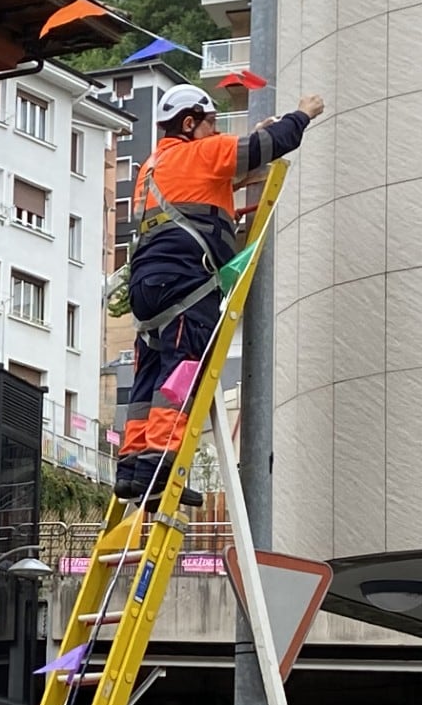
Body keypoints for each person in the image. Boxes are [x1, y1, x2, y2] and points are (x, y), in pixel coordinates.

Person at [115, 84, 326, 507]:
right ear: (190, 123)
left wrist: (249, 142)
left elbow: (223, 172)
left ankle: (133, 468)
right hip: (185, 287)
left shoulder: (151, 167)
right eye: (211, 123)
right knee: (179, 379)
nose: (215, 132)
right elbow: (272, 144)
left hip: (147, 289)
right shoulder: (203, 154)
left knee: (148, 379)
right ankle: (160, 470)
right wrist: (302, 114)